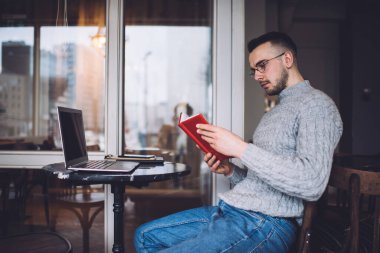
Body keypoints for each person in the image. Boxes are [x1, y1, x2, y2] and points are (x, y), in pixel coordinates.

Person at [134, 31, 343, 253]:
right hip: (234, 212)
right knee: (145, 236)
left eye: (262, 65)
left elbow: (312, 184)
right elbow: (261, 184)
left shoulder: (317, 106)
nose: (258, 76)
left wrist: (240, 148)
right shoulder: (274, 112)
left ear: (287, 59)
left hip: (268, 223)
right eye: (253, 70)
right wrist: (230, 170)